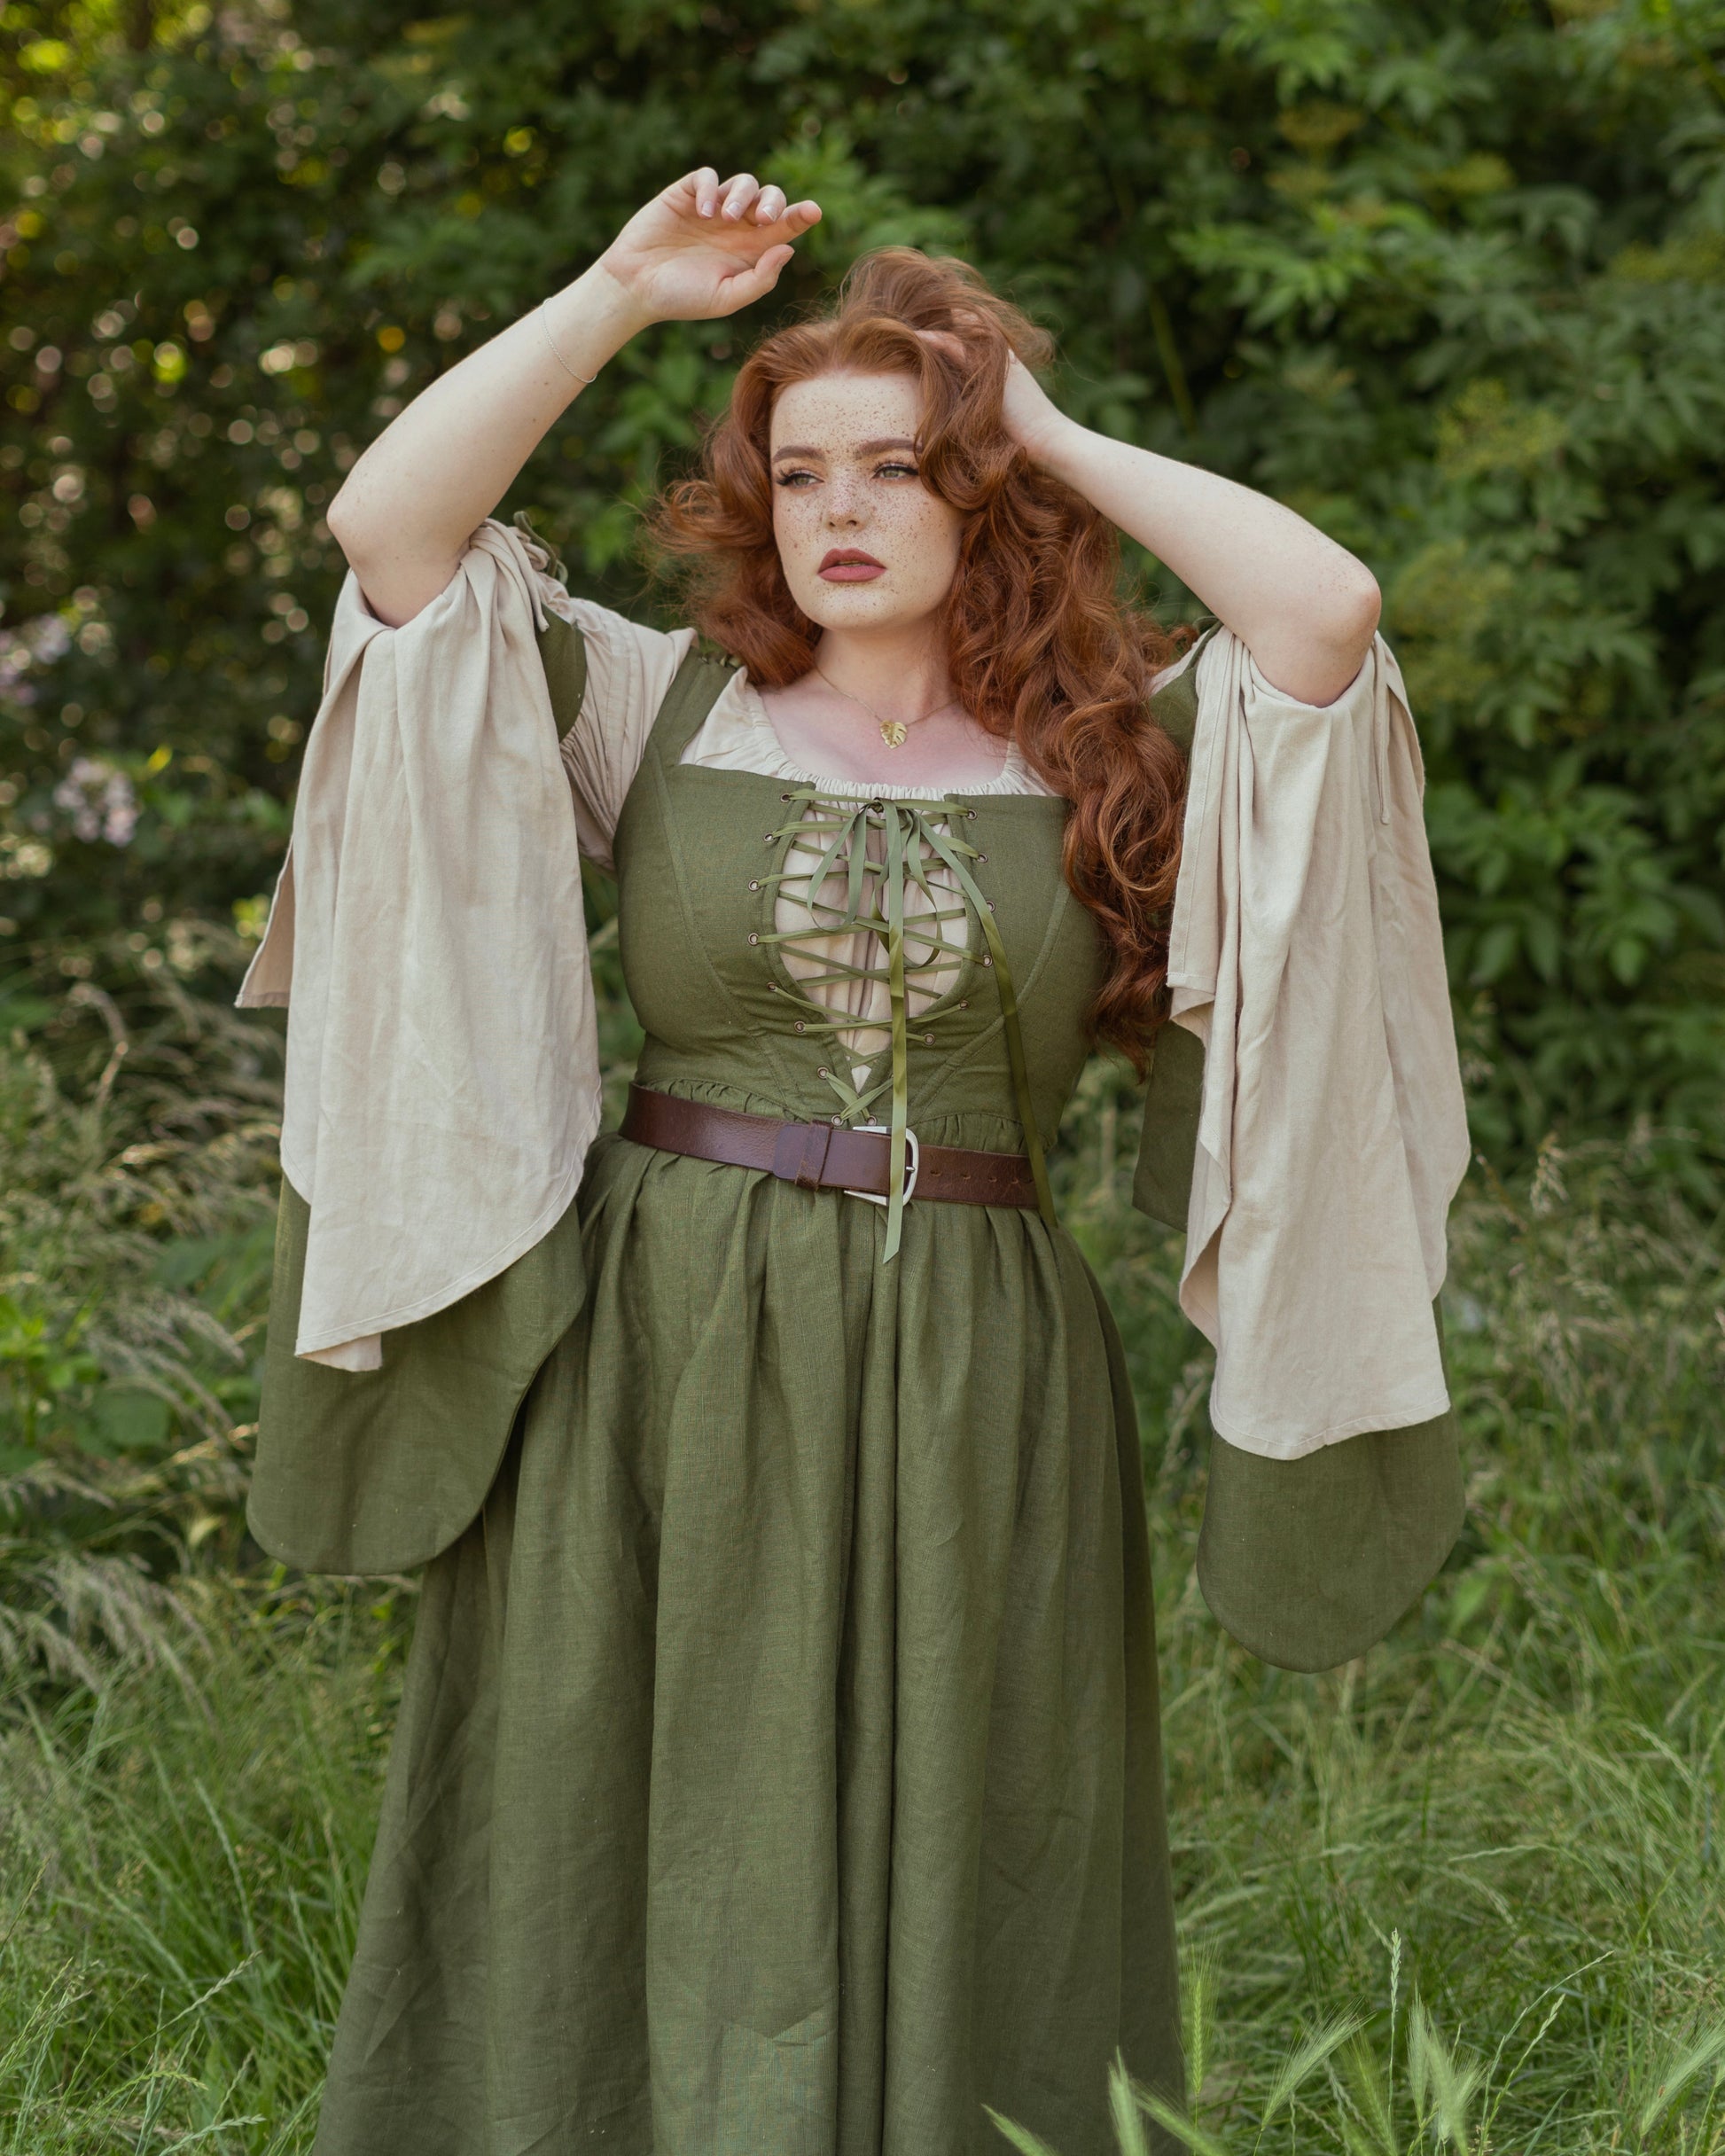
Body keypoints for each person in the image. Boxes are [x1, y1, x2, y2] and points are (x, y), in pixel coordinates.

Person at [238, 168, 1470, 2155]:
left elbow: (1324, 614)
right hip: (663, 1329)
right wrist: (623, 295)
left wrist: (1040, 419)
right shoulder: (654, 703)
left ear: (980, 494)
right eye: (799, 470)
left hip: (976, 1347)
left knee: (975, 1808)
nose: (837, 508)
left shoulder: (1116, 749)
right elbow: (392, 531)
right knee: (610, 1790)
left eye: (897, 466)